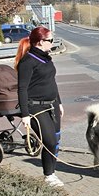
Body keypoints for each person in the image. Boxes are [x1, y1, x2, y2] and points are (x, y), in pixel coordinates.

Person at [15, 26, 64, 187]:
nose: (52, 43)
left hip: (53, 105)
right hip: (36, 107)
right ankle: (48, 175)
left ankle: (52, 172)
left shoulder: (47, 58)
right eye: (50, 40)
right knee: (49, 141)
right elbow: (22, 88)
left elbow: (52, 81)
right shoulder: (28, 61)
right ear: (40, 42)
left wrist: (59, 102)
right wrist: (25, 114)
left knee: (56, 139)